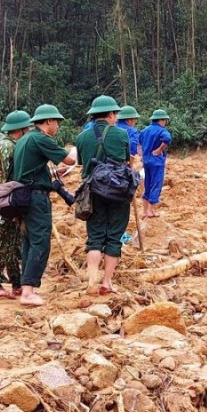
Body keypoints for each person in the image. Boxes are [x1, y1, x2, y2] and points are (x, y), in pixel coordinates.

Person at [12, 104, 76, 306]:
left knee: (29, 241)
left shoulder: (24, 140)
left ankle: (25, 285)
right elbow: (69, 159)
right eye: (56, 122)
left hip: (22, 195)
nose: (57, 126)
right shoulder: (41, 138)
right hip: (36, 197)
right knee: (40, 241)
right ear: (48, 121)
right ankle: (29, 292)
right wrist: (75, 148)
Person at [76, 95, 130, 295]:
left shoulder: (82, 137)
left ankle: (91, 282)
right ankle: (107, 282)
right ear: (110, 114)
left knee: (95, 236)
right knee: (114, 236)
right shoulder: (122, 134)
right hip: (118, 192)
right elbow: (125, 161)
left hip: (93, 192)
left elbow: (83, 163)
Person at [0, 111, 33, 300]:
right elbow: (8, 177)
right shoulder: (7, 146)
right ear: (20, 129)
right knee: (1, 243)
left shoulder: (10, 145)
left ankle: (17, 283)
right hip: (7, 199)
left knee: (14, 243)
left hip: (9, 198)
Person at [140, 109, 172, 218]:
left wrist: (143, 155)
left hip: (146, 161)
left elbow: (139, 142)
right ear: (161, 120)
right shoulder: (162, 130)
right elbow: (167, 139)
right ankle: (151, 211)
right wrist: (159, 150)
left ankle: (144, 211)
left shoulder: (145, 130)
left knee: (147, 184)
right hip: (156, 162)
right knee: (156, 184)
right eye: (164, 120)